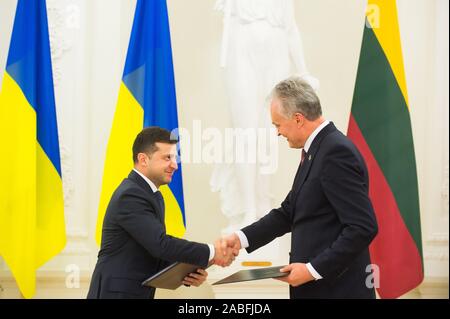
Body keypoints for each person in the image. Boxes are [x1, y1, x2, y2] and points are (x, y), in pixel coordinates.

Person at [221, 77, 378, 298]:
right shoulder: (318, 149)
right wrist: (240, 238)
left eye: (277, 125)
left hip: (336, 291)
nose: (277, 132)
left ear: (298, 119)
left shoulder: (335, 152)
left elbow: (363, 227)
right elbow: (289, 213)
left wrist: (312, 270)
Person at [88, 127, 235, 299]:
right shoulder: (131, 195)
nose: (174, 165)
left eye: (174, 158)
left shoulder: (150, 195)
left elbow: (152, 253)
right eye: (167, 158)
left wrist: (189, 272)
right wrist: (211, 251)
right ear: (143, 159)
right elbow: (161, 245)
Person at [212, 0, 319, 232]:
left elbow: (291, 29)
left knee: (268, 132)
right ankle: (248, 208)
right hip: (241, 46)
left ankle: (261, 205)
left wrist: (303, 70)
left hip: (276, 49)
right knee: (245, 132)